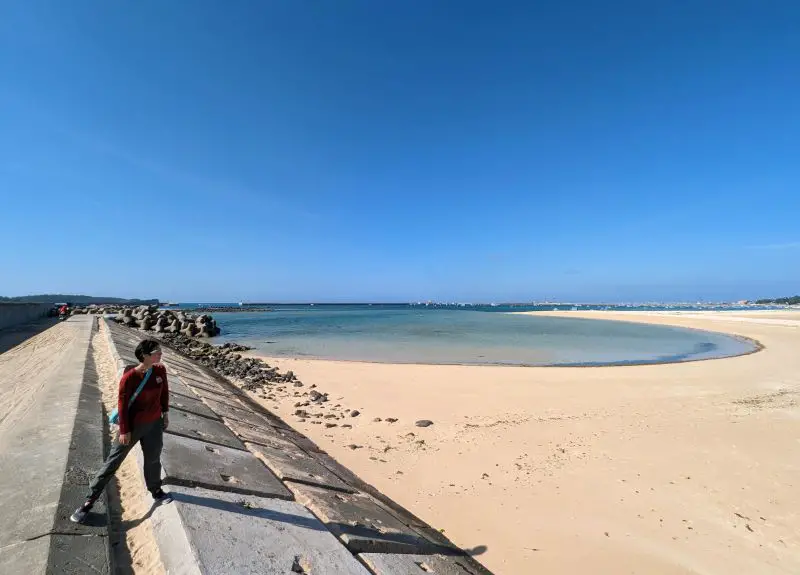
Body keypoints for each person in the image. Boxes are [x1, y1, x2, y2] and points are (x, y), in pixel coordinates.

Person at [71, 339, 172, 523]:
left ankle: (156, 490)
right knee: (113, 461)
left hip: (154, 425)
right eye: (157, 352)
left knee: (153, 459)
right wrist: (124, 431)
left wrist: (165, 414)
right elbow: (123, 405)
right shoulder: (130, 377)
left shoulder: (160, 370)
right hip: (132, 427)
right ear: (145, 356)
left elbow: (164, 393)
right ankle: (88, 501)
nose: (160, 354)